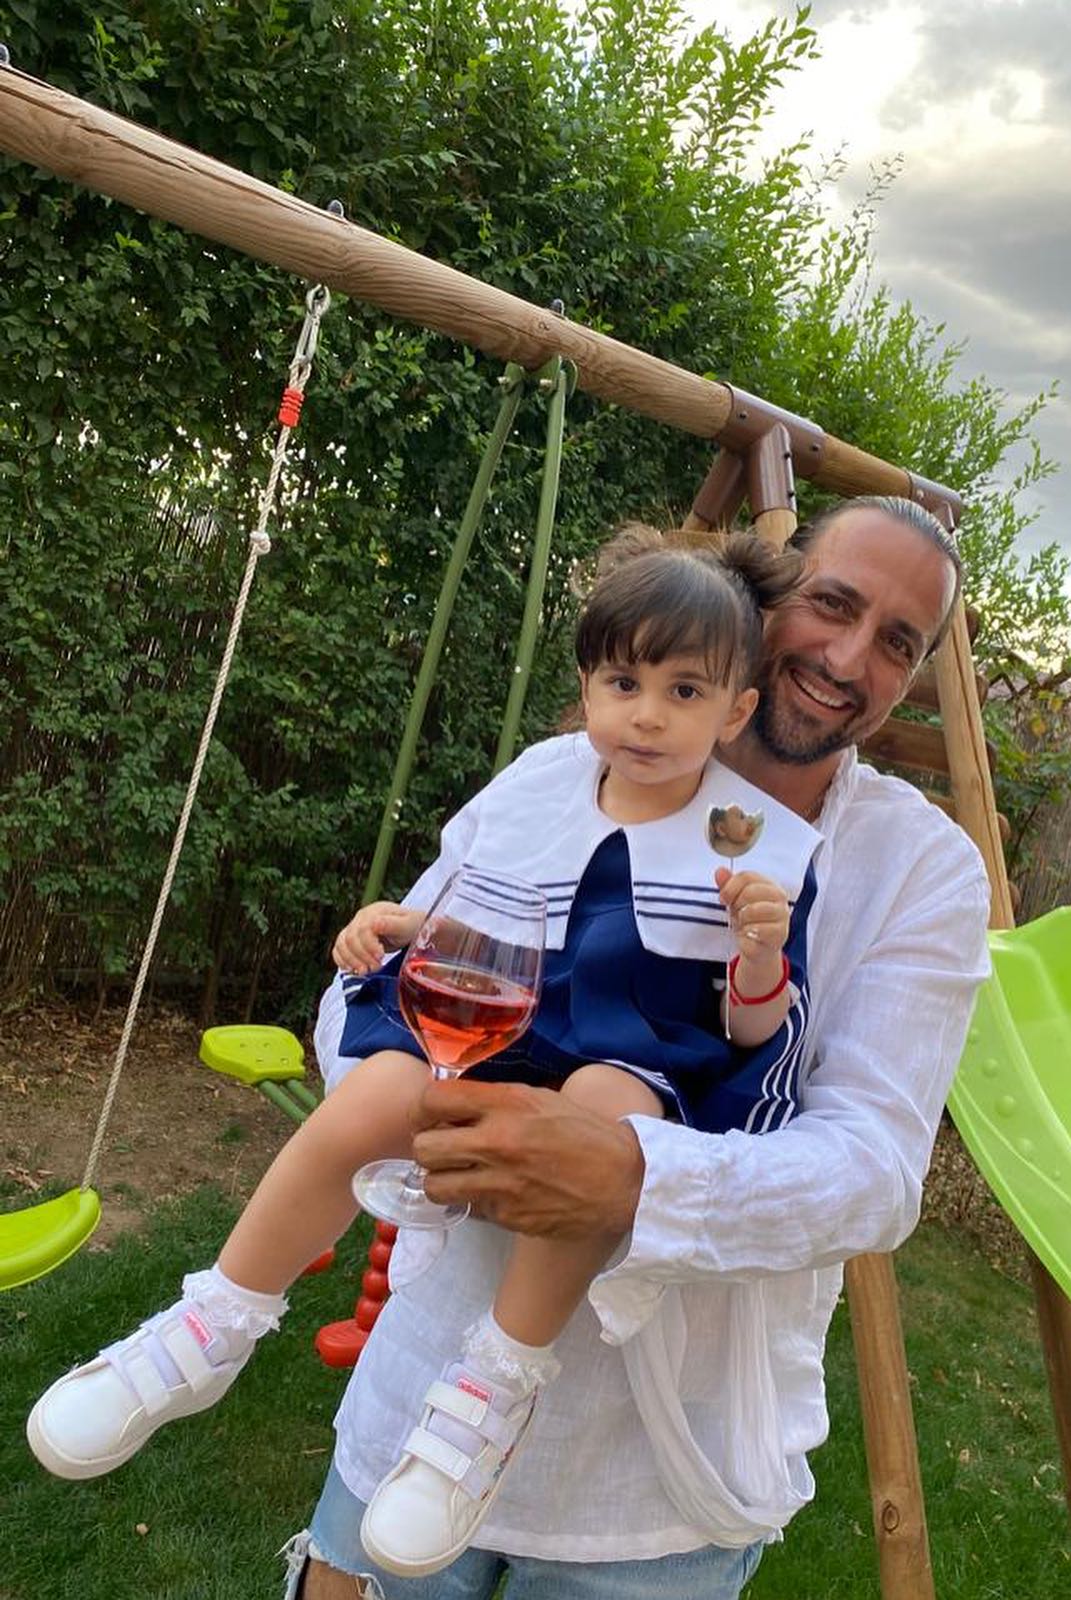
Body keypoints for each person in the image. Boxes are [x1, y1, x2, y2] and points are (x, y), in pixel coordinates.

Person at [26, 529, 826, 1578]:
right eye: (623, 682)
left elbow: (754, 1036)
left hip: (634, 1048)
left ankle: (492, 1384)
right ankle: (215, 1318)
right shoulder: (540, 784)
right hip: (504, 1024)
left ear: (734, 710)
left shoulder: (752, 840)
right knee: (377, 1092)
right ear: (586, 686)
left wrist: (760, 954)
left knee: (602, 1117)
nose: (645, 715)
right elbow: (467, 916)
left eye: (684, 692)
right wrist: (398, 924)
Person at [284, 495, 993, 1600]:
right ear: (768, 597)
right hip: (424, 1384)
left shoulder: (921, 869)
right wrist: (443, 1119)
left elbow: (874, 1172)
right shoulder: (559, 775)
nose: (850, 658)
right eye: (832, 604)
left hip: (664, 1478)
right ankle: (206, 1321)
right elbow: (373, 992)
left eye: (897, 643)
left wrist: (633, 1175)